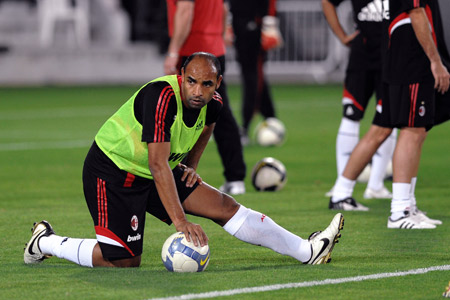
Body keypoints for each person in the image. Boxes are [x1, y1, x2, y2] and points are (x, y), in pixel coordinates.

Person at [24, 52, 344, 267]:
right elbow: (157, 164)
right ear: (181, 76)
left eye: (207, 84)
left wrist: (191, 165)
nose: (197, 91)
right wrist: (180, 222)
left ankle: (307, 251)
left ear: (217, 84)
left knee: (224, 206)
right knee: (121, 261)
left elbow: (205, 128)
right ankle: (46, 241)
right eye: (191, 81)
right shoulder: (162, 98)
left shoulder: (213, 104)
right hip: (112, 172)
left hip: (156, 170)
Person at [329, 0, 450, 229]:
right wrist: (435, 61)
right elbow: (415, 11)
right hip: (410, 60)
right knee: (411, 129)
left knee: (402, 128)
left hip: (397, 58)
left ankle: (405, 205)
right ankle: (400, 210)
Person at [163, 0, 246, 195]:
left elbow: (185, 10)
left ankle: (178, 177)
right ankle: (235, 177)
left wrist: (173, 50)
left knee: (180, 115)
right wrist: (220, 35)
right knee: (221, 112)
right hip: (215, 48)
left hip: (192, 51)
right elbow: (224, 8)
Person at [322, 0, 398, 204]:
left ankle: (373, 184)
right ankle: (353, 184)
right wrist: (342, 36)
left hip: (384, 55)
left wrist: (343, 37)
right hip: (373, 54)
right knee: (360, 116)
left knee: (387, 118)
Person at [228, 0, 279, 145]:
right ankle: (270, 118)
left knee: (252, 76)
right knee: (253, 75)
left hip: (254, 25)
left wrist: (270, 26)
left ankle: (246, 125)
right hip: (240, 24)